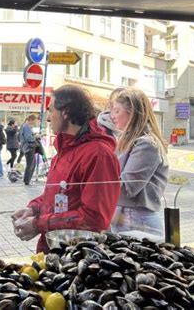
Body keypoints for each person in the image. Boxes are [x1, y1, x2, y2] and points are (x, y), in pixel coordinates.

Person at [11, 85, 121, 253]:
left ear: (65, 112)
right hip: (54, 249)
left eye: (50, 110)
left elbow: (94, 219)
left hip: (78, 255)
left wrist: (38, 223)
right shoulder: (65, 148)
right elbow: (60, 194)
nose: (48, 118)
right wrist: (33, 208)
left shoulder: (99, 155)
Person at [110, 88, 168, 237]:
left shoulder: (146, 144)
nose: (112, 116)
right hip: (125, 216)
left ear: (132, 112)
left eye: (117, 111)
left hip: (138, 220)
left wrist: (96, 180)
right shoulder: (126, 140)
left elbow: (128, 187)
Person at [20, 114, 38, 185]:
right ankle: (27, 180)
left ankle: (27, 180)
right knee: (30, 164)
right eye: (34, 121)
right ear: (30, 120)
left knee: (32, 164)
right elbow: (28, 138)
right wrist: (35, 136)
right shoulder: (26, 126)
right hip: (29, 147)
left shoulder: (25, 126)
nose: (34, 122)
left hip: (27, 147)